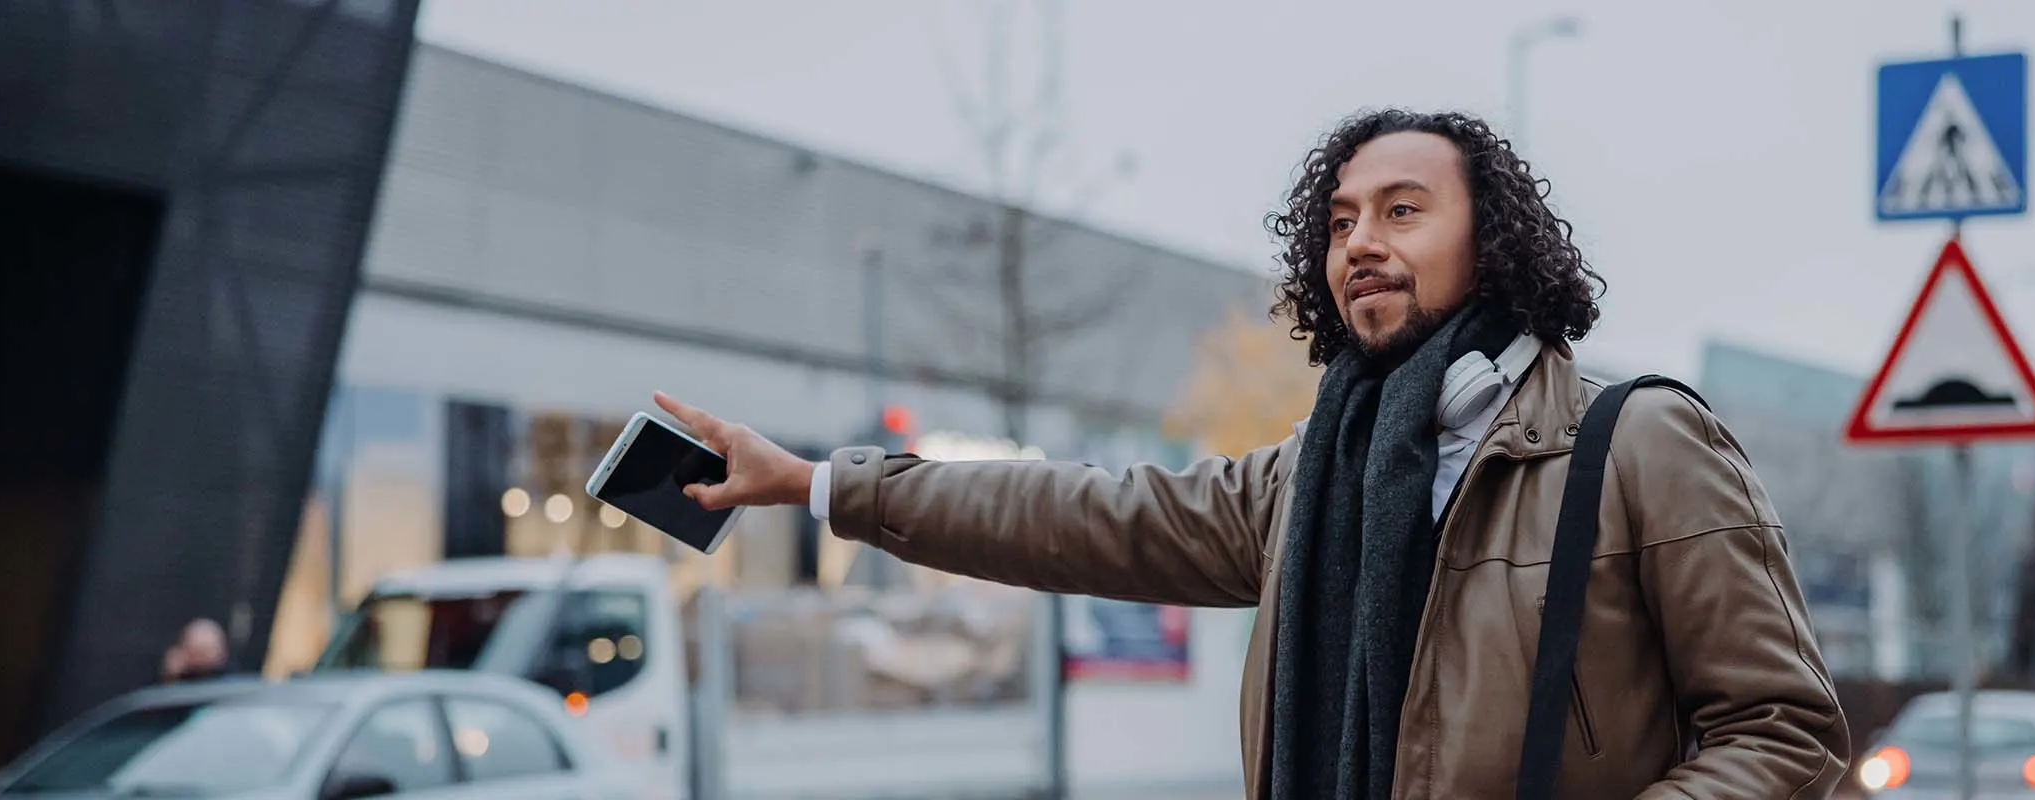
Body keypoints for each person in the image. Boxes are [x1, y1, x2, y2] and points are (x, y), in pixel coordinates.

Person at [655, 109, 1850, 798]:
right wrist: (819, 480)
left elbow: (1785, 728)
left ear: (1492, 243)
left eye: (1400, 209)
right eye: (1338, 224)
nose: (1361, 244)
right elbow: (1076, 513)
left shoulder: (1634, 440)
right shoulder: (1306, 478)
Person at [158, 618, 234, 684]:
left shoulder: (233, 679)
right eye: (195, 653)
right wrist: (170, 675)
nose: (200, 661)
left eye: (206, 651)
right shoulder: (180, 674)